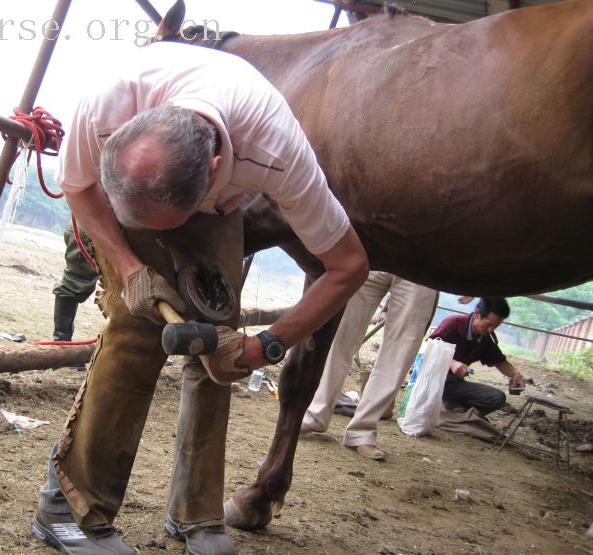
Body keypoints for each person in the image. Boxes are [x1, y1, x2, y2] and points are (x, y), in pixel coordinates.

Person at [33, 41, 368, 555]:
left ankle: (196, 515)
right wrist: (128, 266)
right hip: (131, 194)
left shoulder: (277, 153)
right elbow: (78, 187)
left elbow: (348, 266)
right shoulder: (103, 105)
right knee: (136, 330)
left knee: (219, 345)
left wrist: (265, 346)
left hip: (219, 199)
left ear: (214, 170)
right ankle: (72, 509)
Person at [301, 272, 438, 461]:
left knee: (400, 351)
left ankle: (362, 431)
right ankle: (315, 415)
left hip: (423, 267)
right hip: (373, 256)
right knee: (340, 333)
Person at [430, 297, 525, 417]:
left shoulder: (486, 337)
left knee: (497, 398)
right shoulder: (453, 323)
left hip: (453, 384)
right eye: (488, 324)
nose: (490, 330)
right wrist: (451, 363)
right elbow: (428, 349)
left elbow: (500, 362)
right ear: (477, 314)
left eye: (495, 326)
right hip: (432, 378)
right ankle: (450, 410)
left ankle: (457, 413)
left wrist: (516, 375)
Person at [52, 224, 98, 368]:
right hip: (91, 225)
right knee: (75, 280)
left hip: (134, 229)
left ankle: (147, 348)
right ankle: (62, 345)